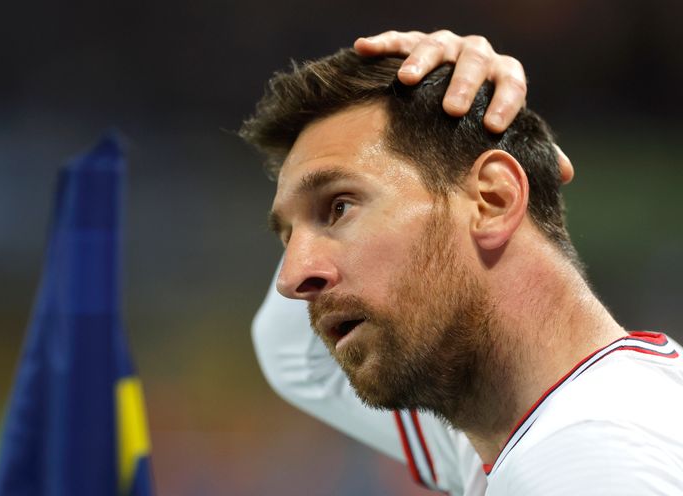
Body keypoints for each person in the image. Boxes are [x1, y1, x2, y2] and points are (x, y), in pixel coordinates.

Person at [240, 30, 683, 495]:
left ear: (493, 199)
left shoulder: (587, 465)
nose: (291, 279)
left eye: (339, 207)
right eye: (289, 236)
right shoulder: (509, 429)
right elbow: (291, 353)